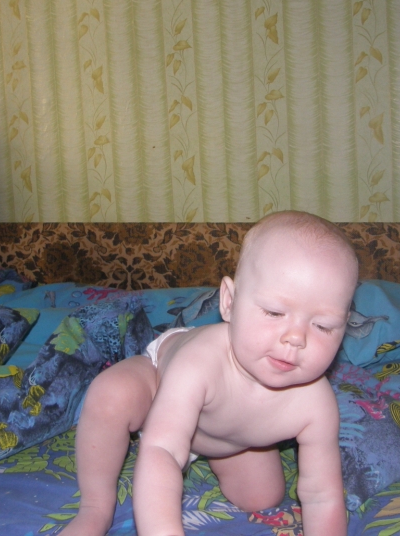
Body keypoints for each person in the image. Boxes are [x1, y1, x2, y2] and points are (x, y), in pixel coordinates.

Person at [60, 211, 359, 536]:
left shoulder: (316, 405)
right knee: (110, 396)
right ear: (229, 302)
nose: (296, 338)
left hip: (225, 437)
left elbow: (322, 494)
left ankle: (221, 454)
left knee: (263, 498)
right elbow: (162, 451)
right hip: (160, 382)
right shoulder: (199, 365)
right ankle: (95, 507)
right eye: (274, 312)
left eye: (323, 326)